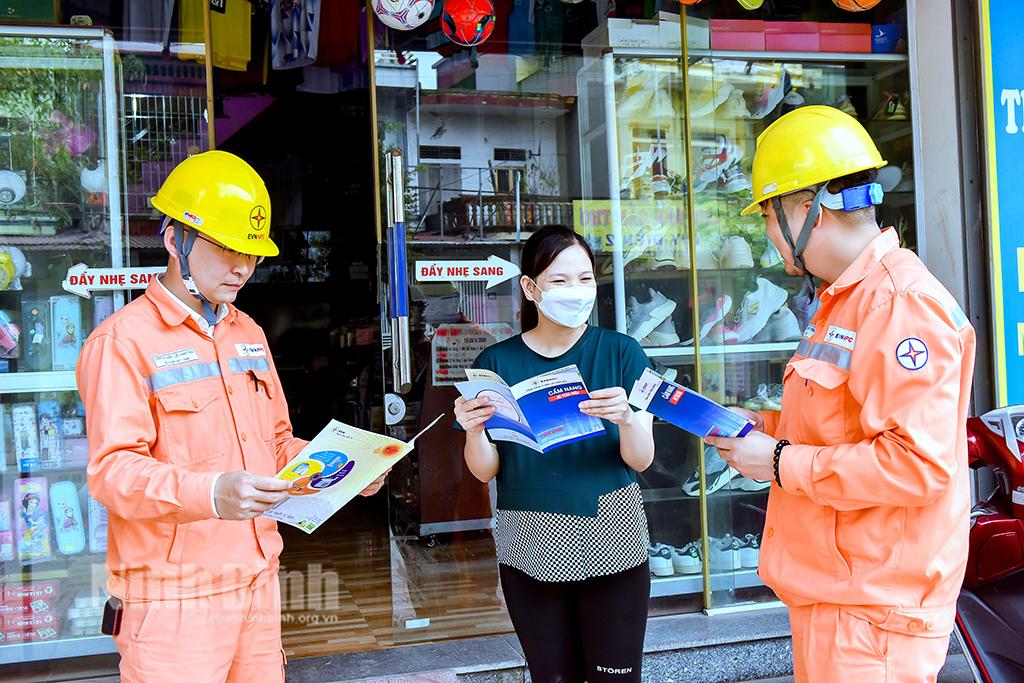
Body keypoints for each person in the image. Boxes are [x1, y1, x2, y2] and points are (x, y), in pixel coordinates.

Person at [77, 151, 388, 683]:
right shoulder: (121, 343)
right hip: (173, 600)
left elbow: (277, 444)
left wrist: (347, 470)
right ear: (176, 241)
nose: (243, 267)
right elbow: (112, 473)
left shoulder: (248, 334)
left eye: (251, 252)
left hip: (257, 583)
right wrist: (212, 492)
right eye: (226, 248)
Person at [708, 106, 976, 683]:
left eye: (770, 216)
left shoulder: (898, 303)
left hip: (872, 611)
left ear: (809, 207)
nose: (767, 234)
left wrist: (777, 461)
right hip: (844, 598)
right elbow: (840, 422)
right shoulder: (844, 299)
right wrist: (760, 425)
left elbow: (917, 465)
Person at [453, 225, 656, 683]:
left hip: (612, 539)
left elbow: (641, 459)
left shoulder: (623, 353)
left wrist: (626, 418)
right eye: (560, 281)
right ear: (531, 288)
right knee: (551, 677)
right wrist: (472, 432)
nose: (577, 292)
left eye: (585, 279)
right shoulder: (494, 364)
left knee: (615, 678)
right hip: (529, 542)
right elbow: (485, 470)